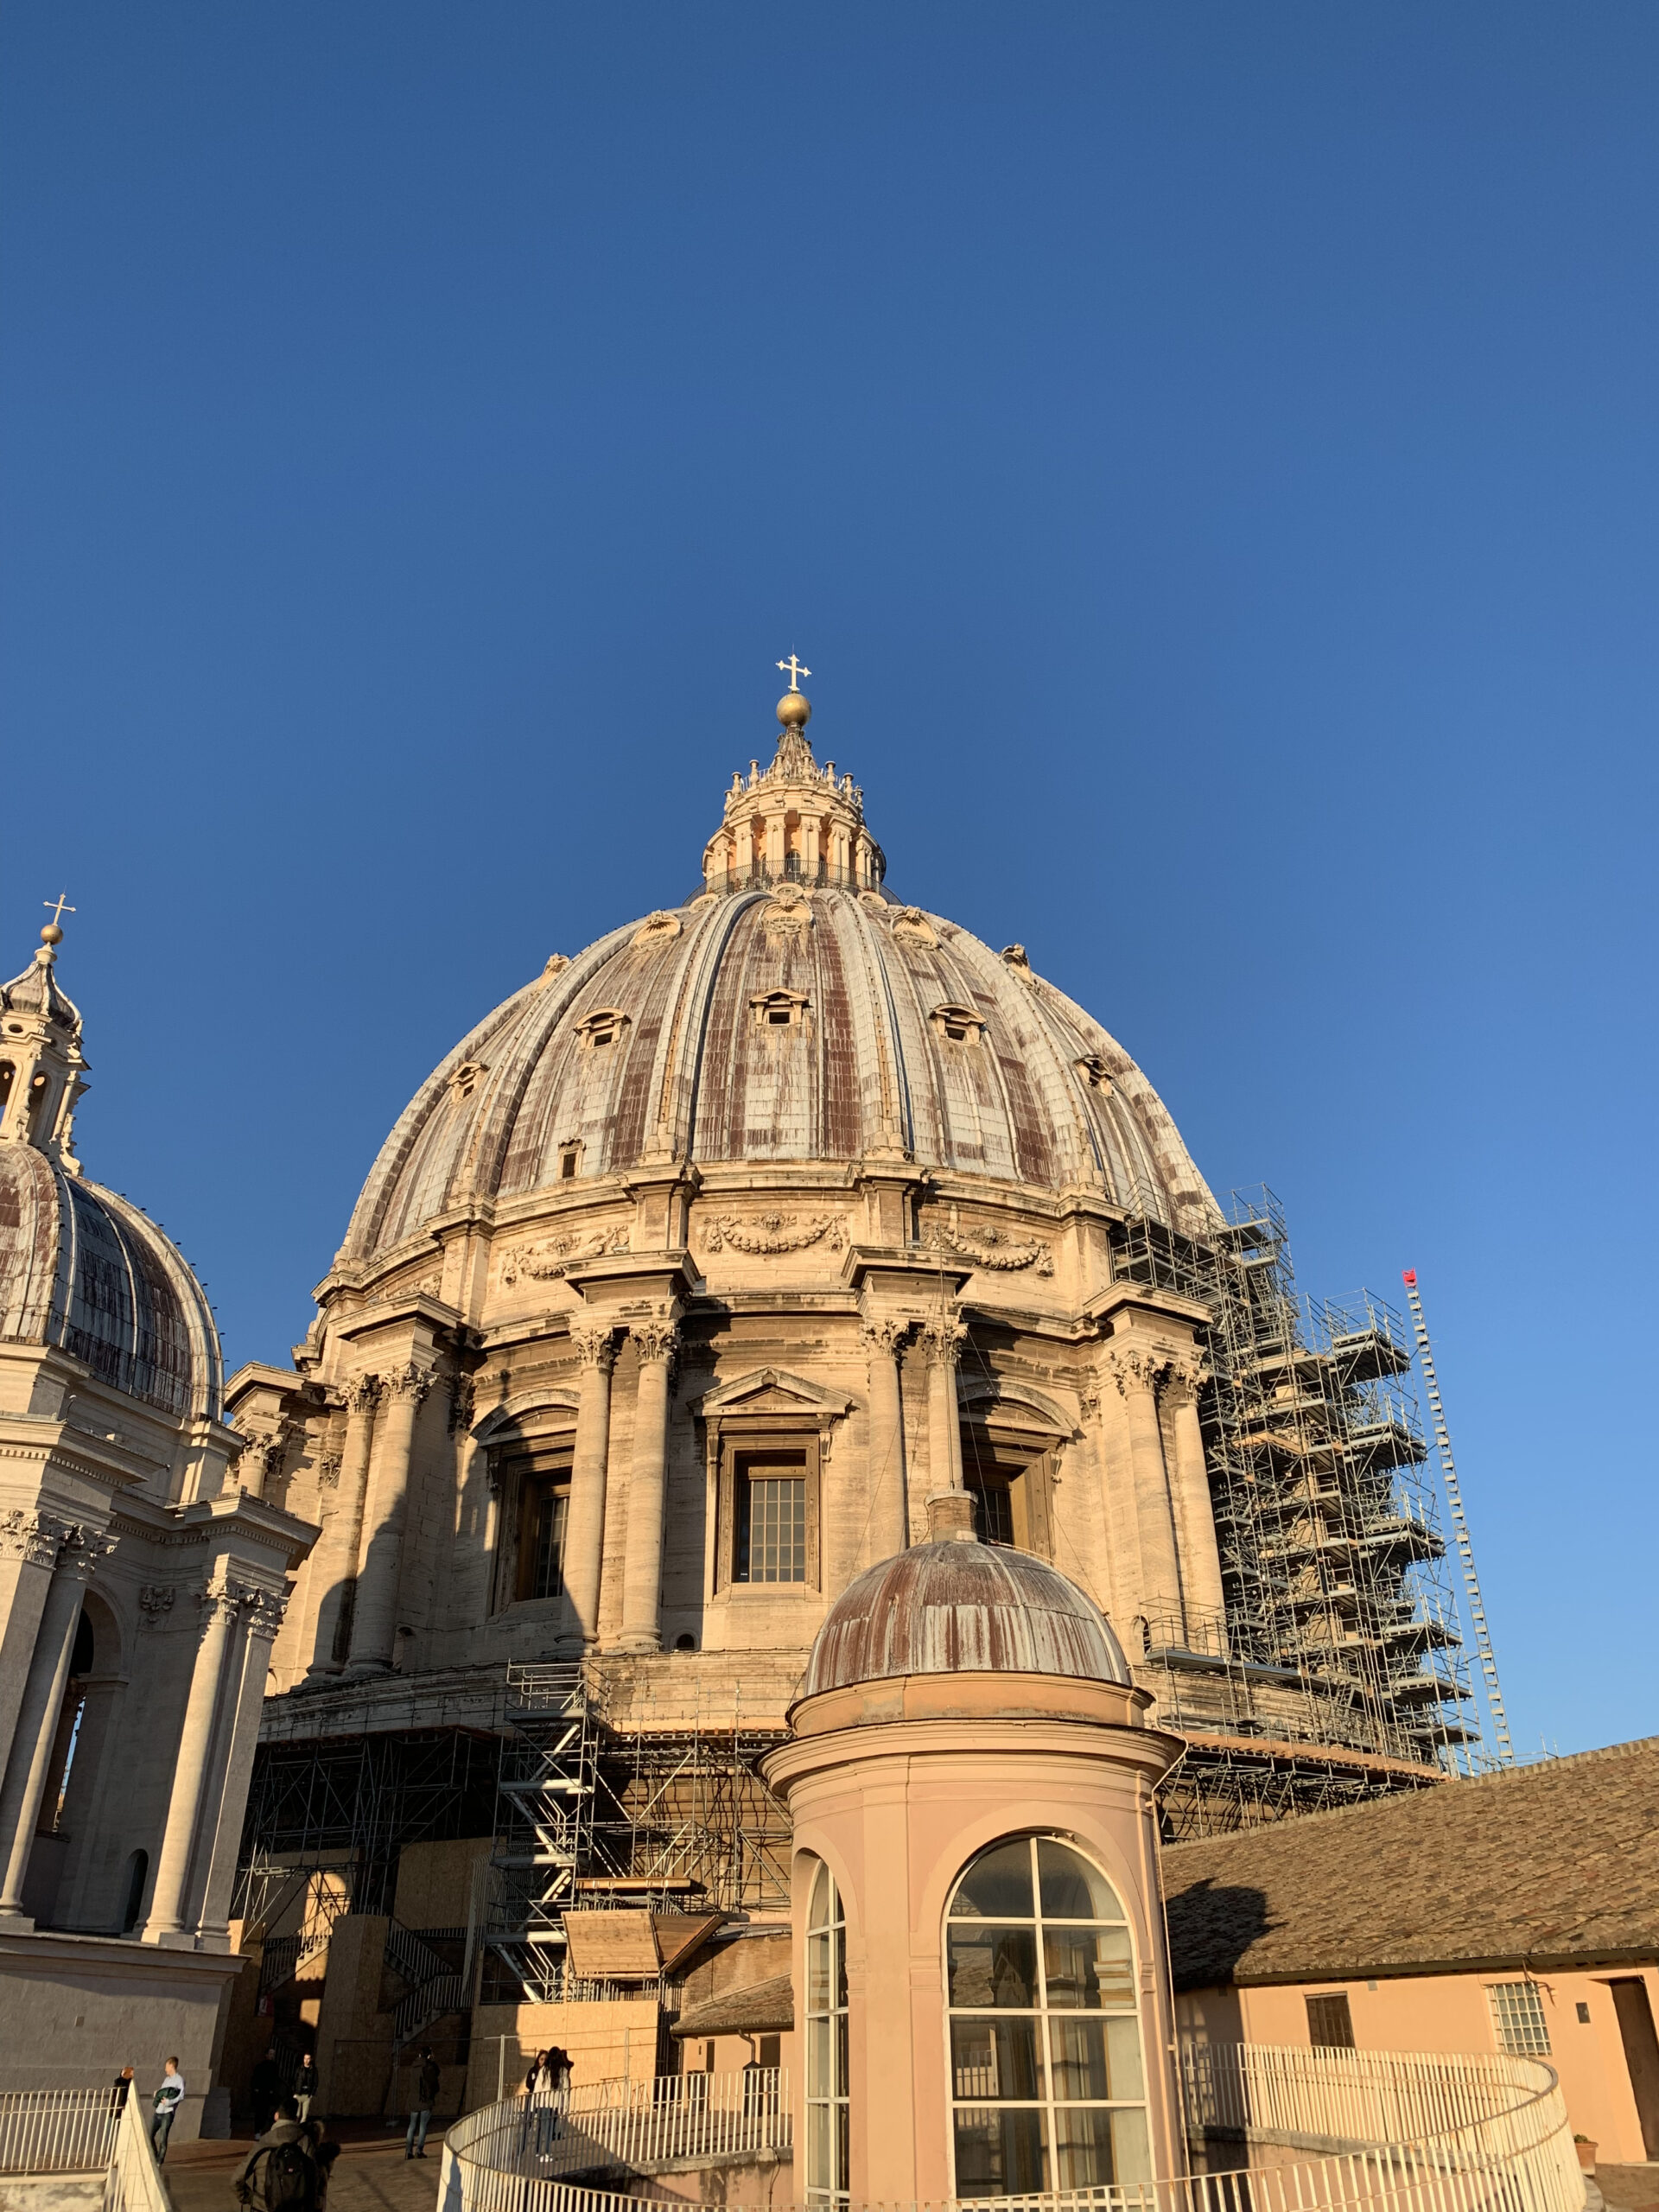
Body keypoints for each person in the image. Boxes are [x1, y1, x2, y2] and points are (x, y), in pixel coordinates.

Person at [234, 2096, 320, 2212]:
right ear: (296, 2118)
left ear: (276, 2116)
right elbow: (314, 2178)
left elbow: (236, 2180)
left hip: (263, 2206)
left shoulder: (264, 2142)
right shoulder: (304, 2141)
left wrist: (251, 2198)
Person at [404, 2048, 441, 2160]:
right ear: (429, 2056)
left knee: (412, 2126)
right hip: (425, 2100)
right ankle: (419, 2150)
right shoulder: (428, 2067)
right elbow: (435, 2079)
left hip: (414, 2100)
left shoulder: (414, 2067)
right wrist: (433, 2062)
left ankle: (408, 2151)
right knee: (422, 2126)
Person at [149, 2060, 185, 2162]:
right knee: (150, 2135)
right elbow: (162, 2092)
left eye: (166, 2066)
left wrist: (170, 2102)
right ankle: (154, 2156)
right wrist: (157, 2093)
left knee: (162, 2138)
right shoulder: (166, 2080)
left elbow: (181, 2096)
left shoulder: (179, 2080)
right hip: (158, 2111)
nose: (165, 2069)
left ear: (171, 2066)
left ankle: (159, 2160)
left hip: (168, 2113)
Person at [250, 2046, 283, 2136]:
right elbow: (255, 2078)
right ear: (266, 2055)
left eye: (273, 2054)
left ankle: (261, 2129)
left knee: (265, 2112)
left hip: (269, 2093)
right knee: (259, 2112)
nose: (272, 2056)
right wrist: (256, 2089)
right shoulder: (260, 2066)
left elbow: (275, 2080)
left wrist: (273, 2091)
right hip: (261, 2092)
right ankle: (257, 2130)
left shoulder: (275, 2067)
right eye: (270, 2054)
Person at [294, 2054, 318, 2124]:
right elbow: (294, 2080)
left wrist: (312, 2094)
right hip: (298, 2093)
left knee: (304, 2115)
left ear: (311, 2059)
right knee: (297, 2114)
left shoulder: (313, 2070)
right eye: (305, 2058)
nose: (306, 2060)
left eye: (308, 2059)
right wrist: (294, 2092)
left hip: (307, 2094)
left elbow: (315, 2082)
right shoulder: (299, 2069)